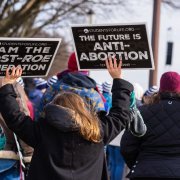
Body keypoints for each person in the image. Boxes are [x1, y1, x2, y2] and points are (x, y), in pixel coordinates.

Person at [0, 58, 133, 180]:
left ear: (54, 107)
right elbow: (121, 114)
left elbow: (15, 117)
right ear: (83, 109)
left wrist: (7, 85)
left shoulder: (41, 131)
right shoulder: (98, 132)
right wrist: (118, 78)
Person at [121, 71, 180, 180]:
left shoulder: (142, 111)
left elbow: (127, 146)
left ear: (160, 89)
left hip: (146, 171)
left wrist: (139, 164)